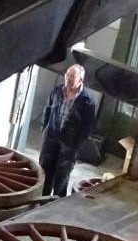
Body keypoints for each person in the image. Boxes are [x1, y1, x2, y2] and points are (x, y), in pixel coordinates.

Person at [39, 64, 97, 197]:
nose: (68, 78)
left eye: (72, 76)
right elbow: (47, 111)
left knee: (62, 177)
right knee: (44, 172)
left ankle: (55, 205)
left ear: (80, 79)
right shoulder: (57, 91)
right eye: (67, 75)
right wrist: (45, 131)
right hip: (50, 138)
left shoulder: (87, 101)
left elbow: (87, 127)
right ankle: (41, 201)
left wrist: (76, 144)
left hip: (69, 143)